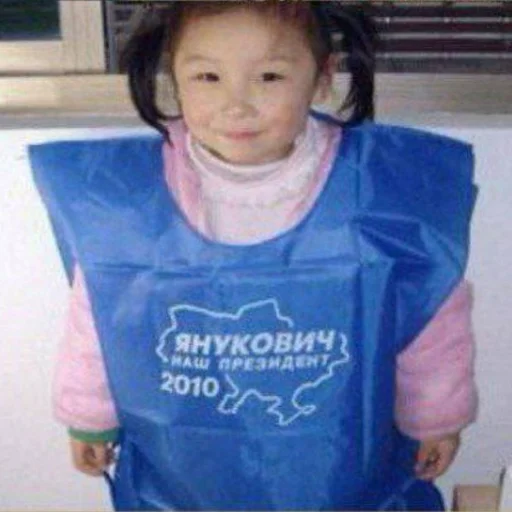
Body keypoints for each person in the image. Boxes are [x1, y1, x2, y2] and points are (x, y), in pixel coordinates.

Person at [29, 1, 478, 510]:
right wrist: (89, 416)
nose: (236, 105)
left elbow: (430, 319)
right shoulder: (124, 202)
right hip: (186, 475)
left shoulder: (384, 193)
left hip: (339, 472)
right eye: (207, 77)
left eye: (269, 76)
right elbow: (99, 316)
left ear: (322, 77)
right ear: (174, 78)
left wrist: (435, 418)